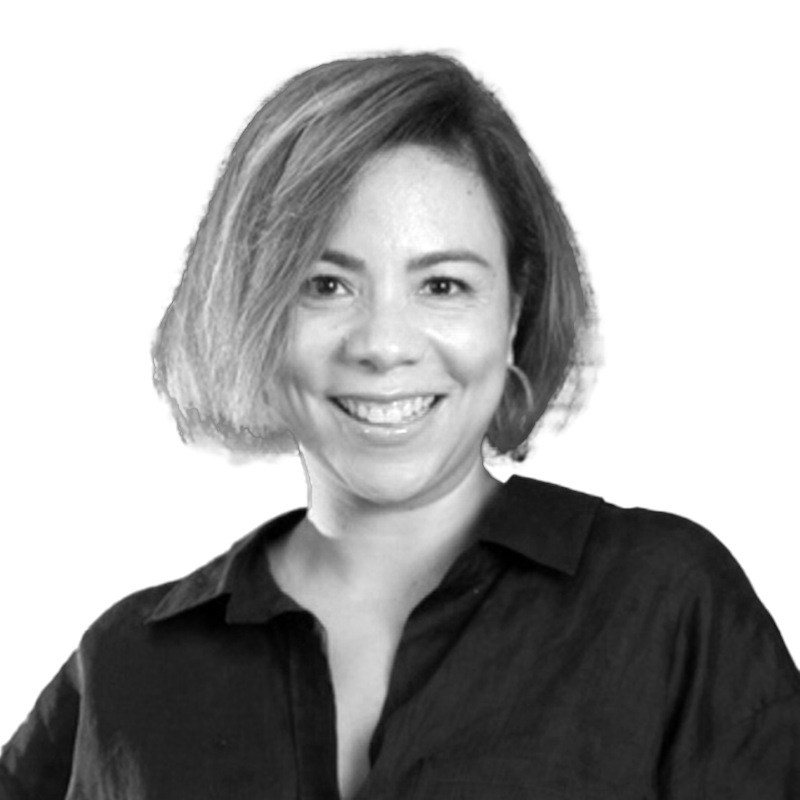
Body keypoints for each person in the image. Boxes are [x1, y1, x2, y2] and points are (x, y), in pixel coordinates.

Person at [1, 51, 798, 800]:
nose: (383, 345)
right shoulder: (128, 665)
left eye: (443, 285)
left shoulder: (665, 601)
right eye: (324, 284)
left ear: (515, 311)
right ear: (254, 310)